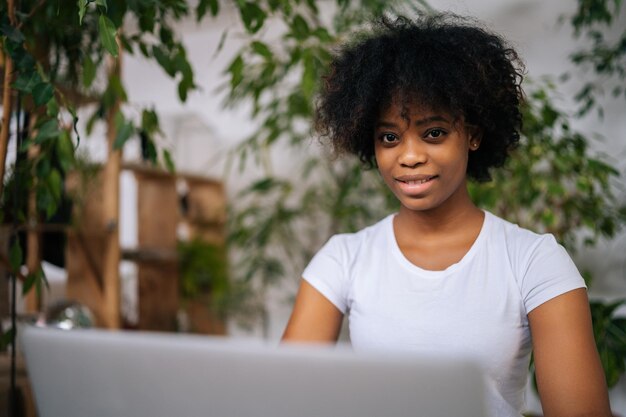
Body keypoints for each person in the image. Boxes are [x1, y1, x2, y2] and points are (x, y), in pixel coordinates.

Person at [281, 13, 612, 417]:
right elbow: (287, 399)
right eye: (389, 137)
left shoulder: (534, 262)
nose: (410, 156)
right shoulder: (344, 258)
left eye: (433, 132)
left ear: (473, 134)